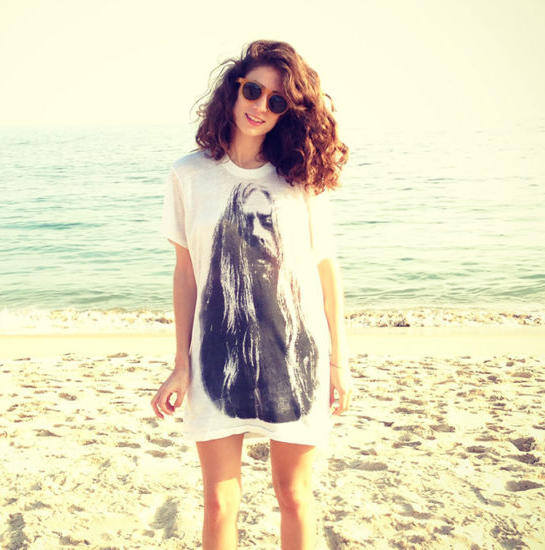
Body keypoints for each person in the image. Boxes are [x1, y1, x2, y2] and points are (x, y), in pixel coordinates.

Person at [151, 39, 353, 550]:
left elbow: (326, 272)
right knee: (219, 502)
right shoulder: (189, 174)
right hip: (216, 358)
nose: (261, 106)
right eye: (254, 91)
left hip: (296, 357)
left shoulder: (301, 178)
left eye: (277, 101)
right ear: (235, 87)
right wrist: (180, 364)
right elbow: (186, 275)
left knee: (294, 495)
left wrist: (340, 364)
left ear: (289, 112)